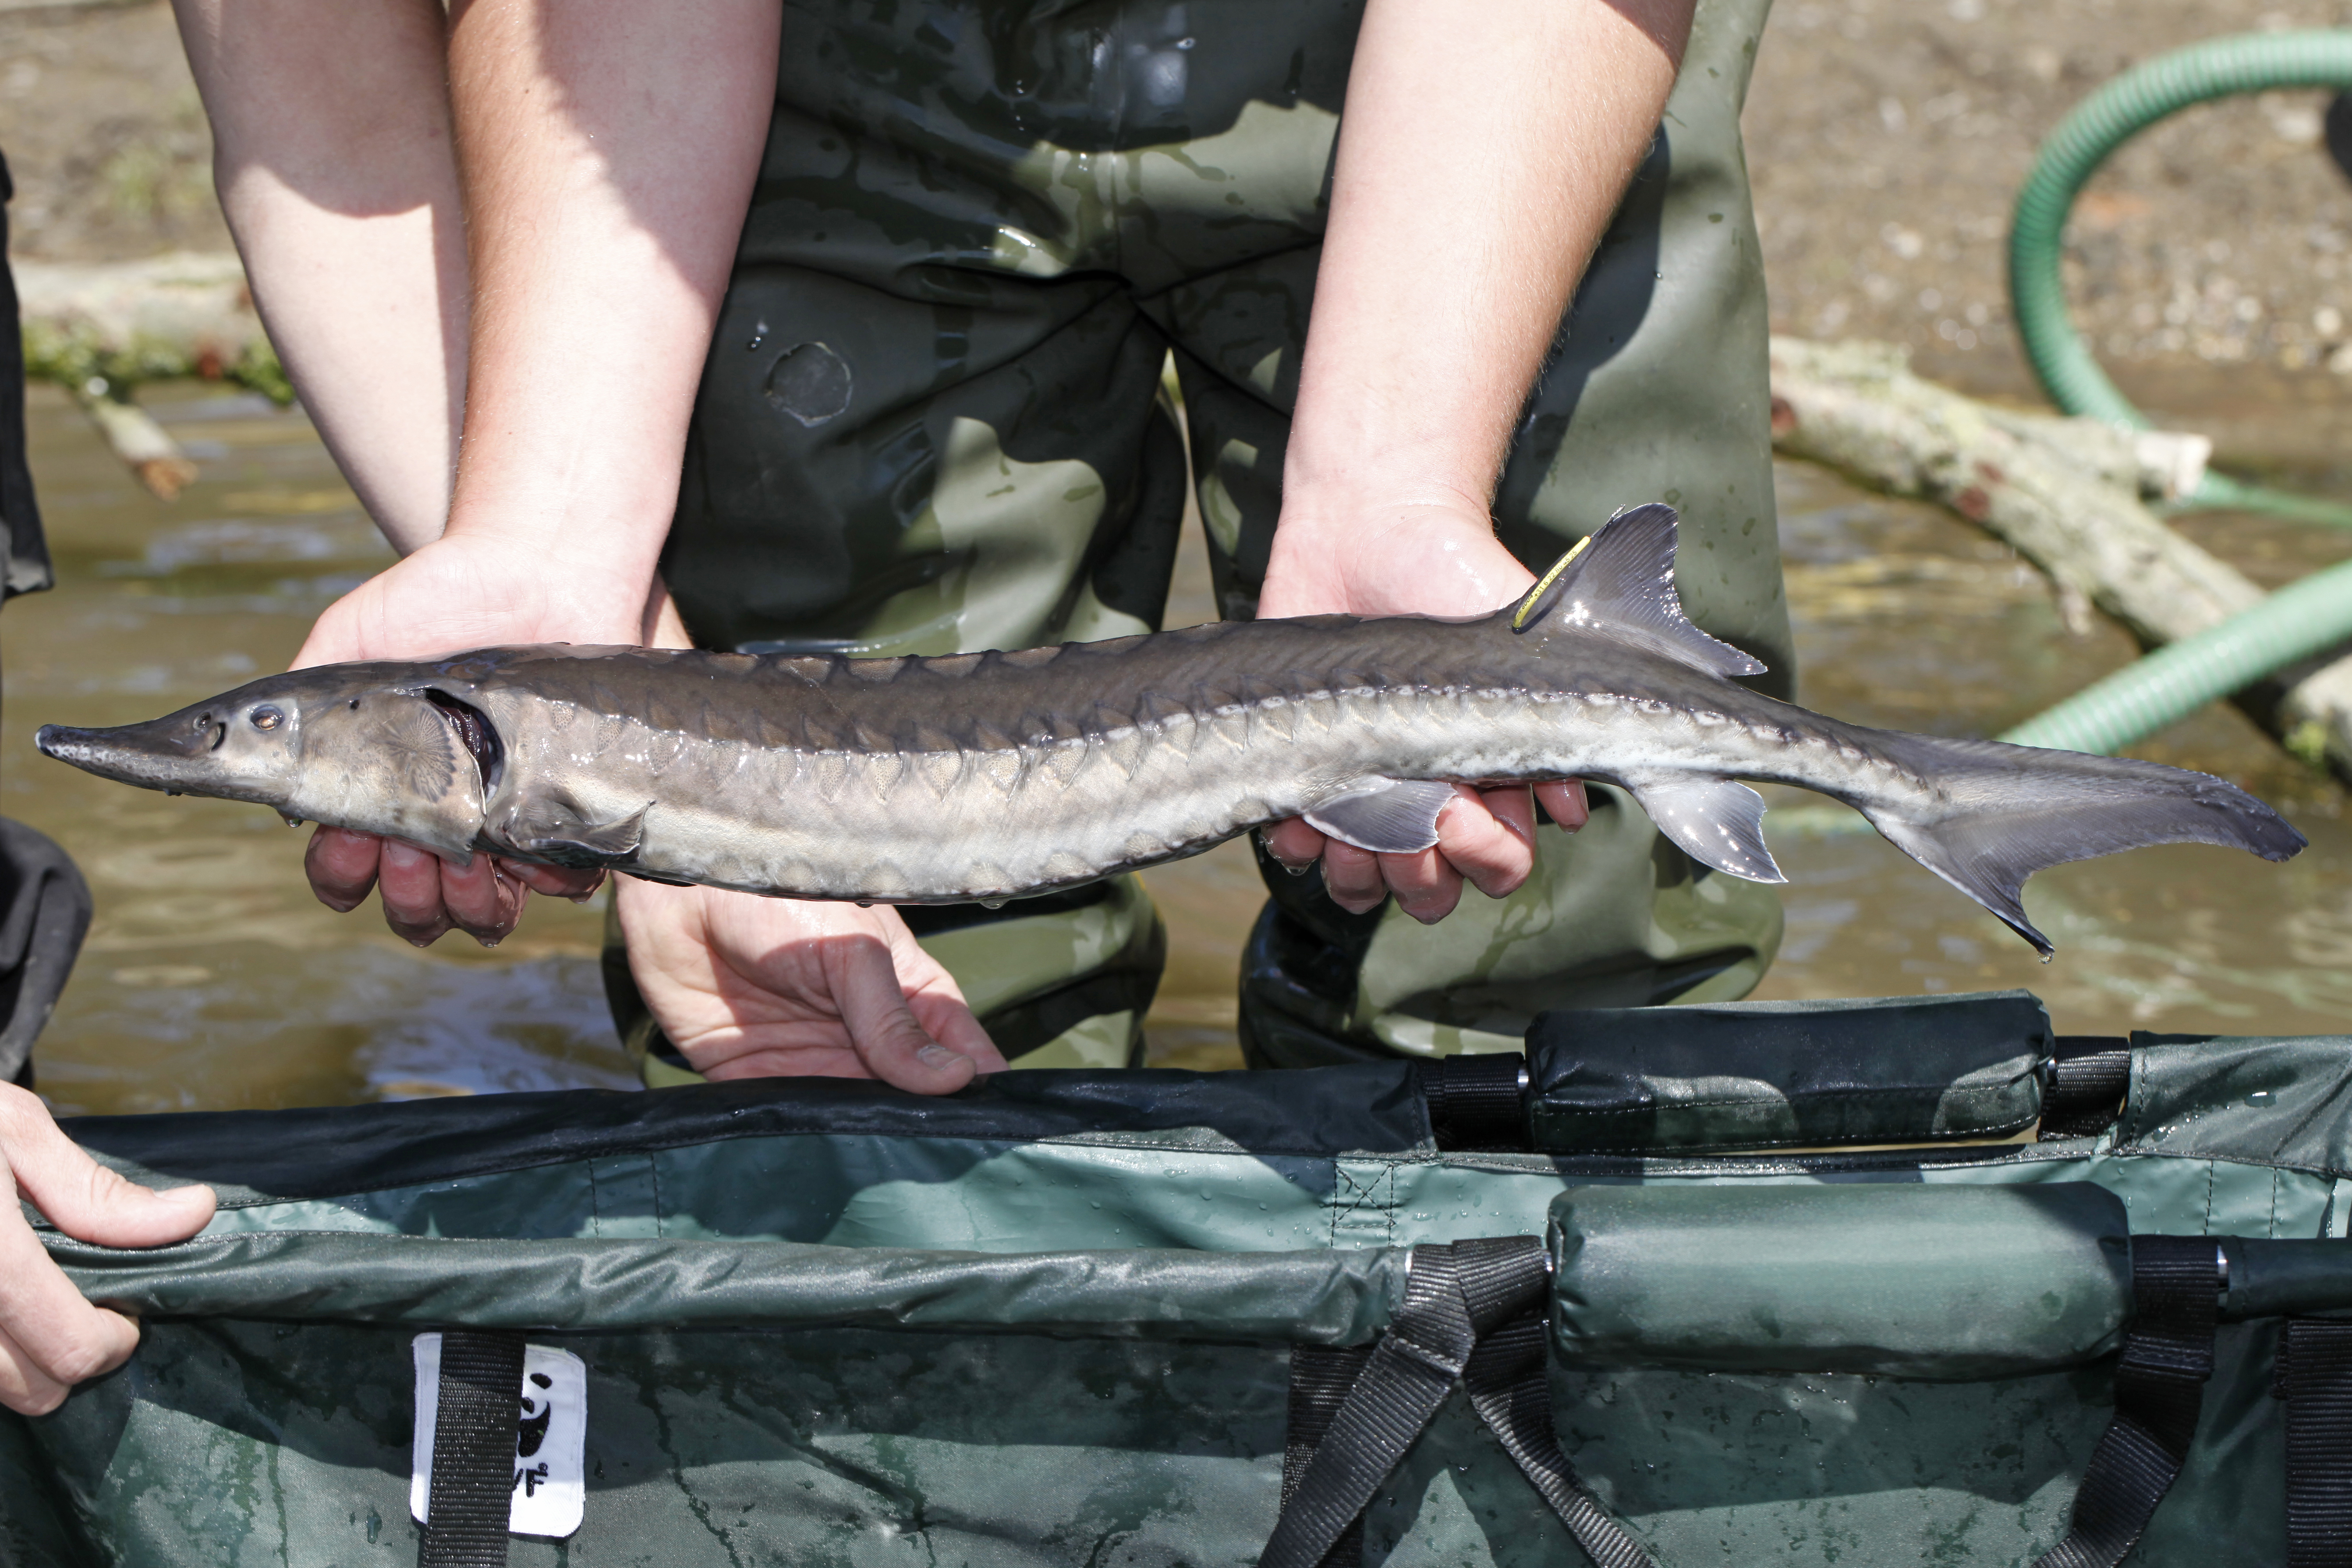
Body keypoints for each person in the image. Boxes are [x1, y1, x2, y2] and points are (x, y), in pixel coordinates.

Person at [3, 0, 1791, 1410]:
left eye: (264, 739)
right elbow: (315, 87)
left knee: (1536, 972)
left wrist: (1396, 476)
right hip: (759, 76)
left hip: (1480, 63)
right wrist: (550, 536)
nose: (235, 755)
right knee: (870, 1020)